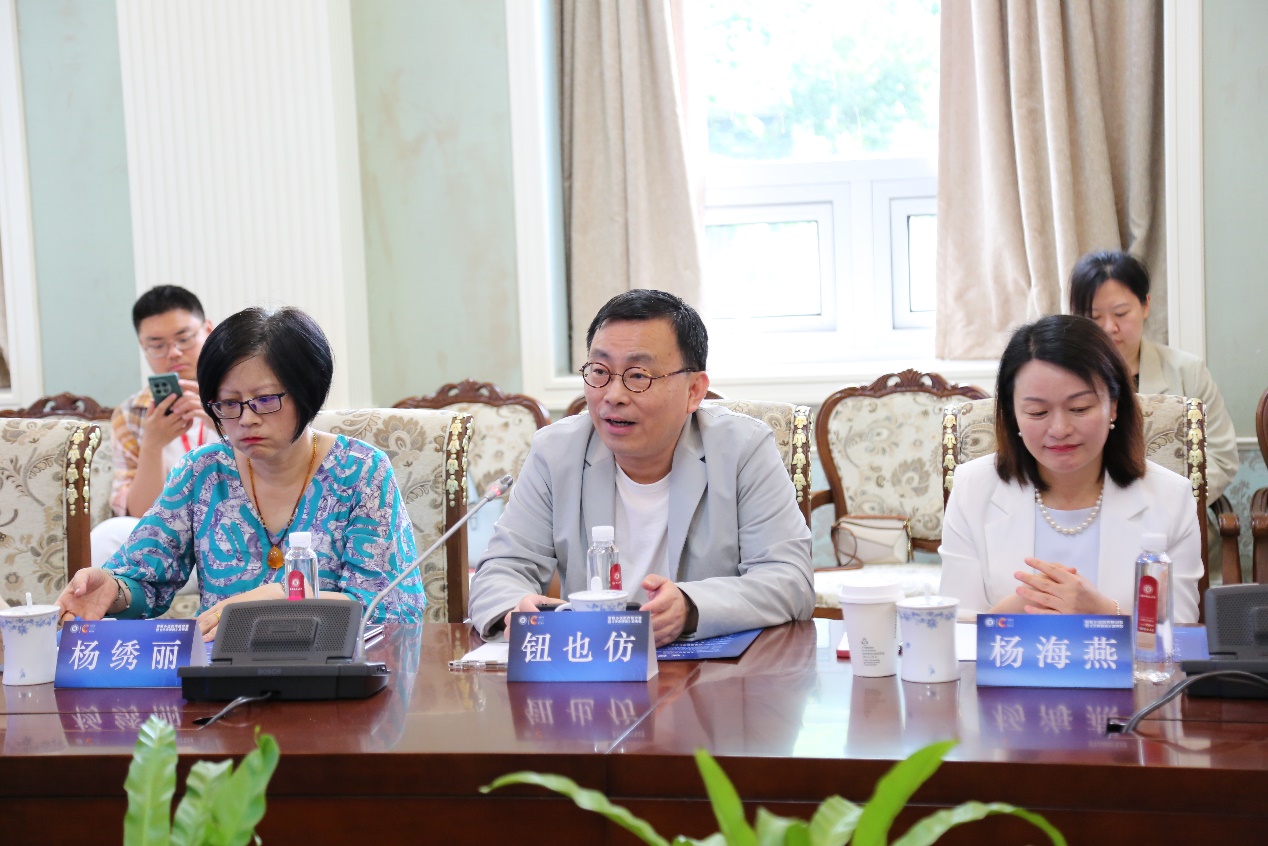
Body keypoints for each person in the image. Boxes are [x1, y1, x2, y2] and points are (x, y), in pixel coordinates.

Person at [468, 289, 814, 646]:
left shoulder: (743, 448)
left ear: (694, 391)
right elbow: (500, 571)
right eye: (599, 371)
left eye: (638, 375)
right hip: (593, 664)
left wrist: (690, 607)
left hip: (709, 668)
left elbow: (789, 580)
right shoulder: (556, 451)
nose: (613, 395)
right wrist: (515, 609)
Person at [56, 307, 424, 638]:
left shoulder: (361, 470)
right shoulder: (203, 471)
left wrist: (281, 596)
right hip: (222, 674)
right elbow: (145, 578)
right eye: (229, 404)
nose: (246, 419)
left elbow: (388, 609)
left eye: (265, 400)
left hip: (333, 672)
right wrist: (113, 590)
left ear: (307, 391)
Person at [939, 314, 1202, 622]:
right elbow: (957, 628)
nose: (1060, 429)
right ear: (1013, 414)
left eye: (1079, 408)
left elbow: (1181, 631)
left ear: (1113, 406)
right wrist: (1022, 607)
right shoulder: (972, 489)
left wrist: (1103, 613)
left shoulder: (1171, 497)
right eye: (1037, 412)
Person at [1068, 250, 1239, 501]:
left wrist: (1167, 505)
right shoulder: (1063, 380)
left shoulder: (1187, 371)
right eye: (1094, 317)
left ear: (1145, 305)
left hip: (1175, 509)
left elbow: (1221, 458)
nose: (1109, 327)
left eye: (1120, 313)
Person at [90, 286, 215, 567]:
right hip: (169, 545)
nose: (174, 353)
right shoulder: (131, 413)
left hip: (235, 532)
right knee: (107, 536)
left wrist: (220, 420)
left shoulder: (239, 397)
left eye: (184, 338)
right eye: (157, 346)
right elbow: (140, 517)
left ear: (208, 330)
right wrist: (152, 445)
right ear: (143, 348)